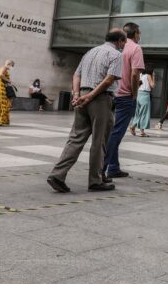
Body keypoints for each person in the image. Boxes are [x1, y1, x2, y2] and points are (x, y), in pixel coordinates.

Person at [47, 29, 126, 193]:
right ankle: (95, 181)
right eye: (124, 42)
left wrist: (77, 95)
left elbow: (76, 75)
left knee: (75, 138)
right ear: (119, 41)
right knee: (99, 141)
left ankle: (57, 175)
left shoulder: (90, 52)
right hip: (101, 99)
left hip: (82, 95)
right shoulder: (116, 55)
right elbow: (109, 80)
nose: (124, 45)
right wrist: (90, 96)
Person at [104, 22, 145, 179]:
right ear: (135, 34)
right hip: (125, 96)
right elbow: (135, 74)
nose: (140, 35)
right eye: (139, 32)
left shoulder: (116, 47)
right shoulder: (136, 48)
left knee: (111, 132)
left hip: (111, 94)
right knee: (116, 134)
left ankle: (113, 167)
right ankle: (101, 169)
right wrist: (134, 93)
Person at [130, 64, 155, 137]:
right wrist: (153, 77)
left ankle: (140, 130)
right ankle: (135, 127)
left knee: (138, 113)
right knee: (144, 113)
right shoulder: (148, 76)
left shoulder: (140, 75)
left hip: (138, 94)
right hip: (145, 95)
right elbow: (152, 85)